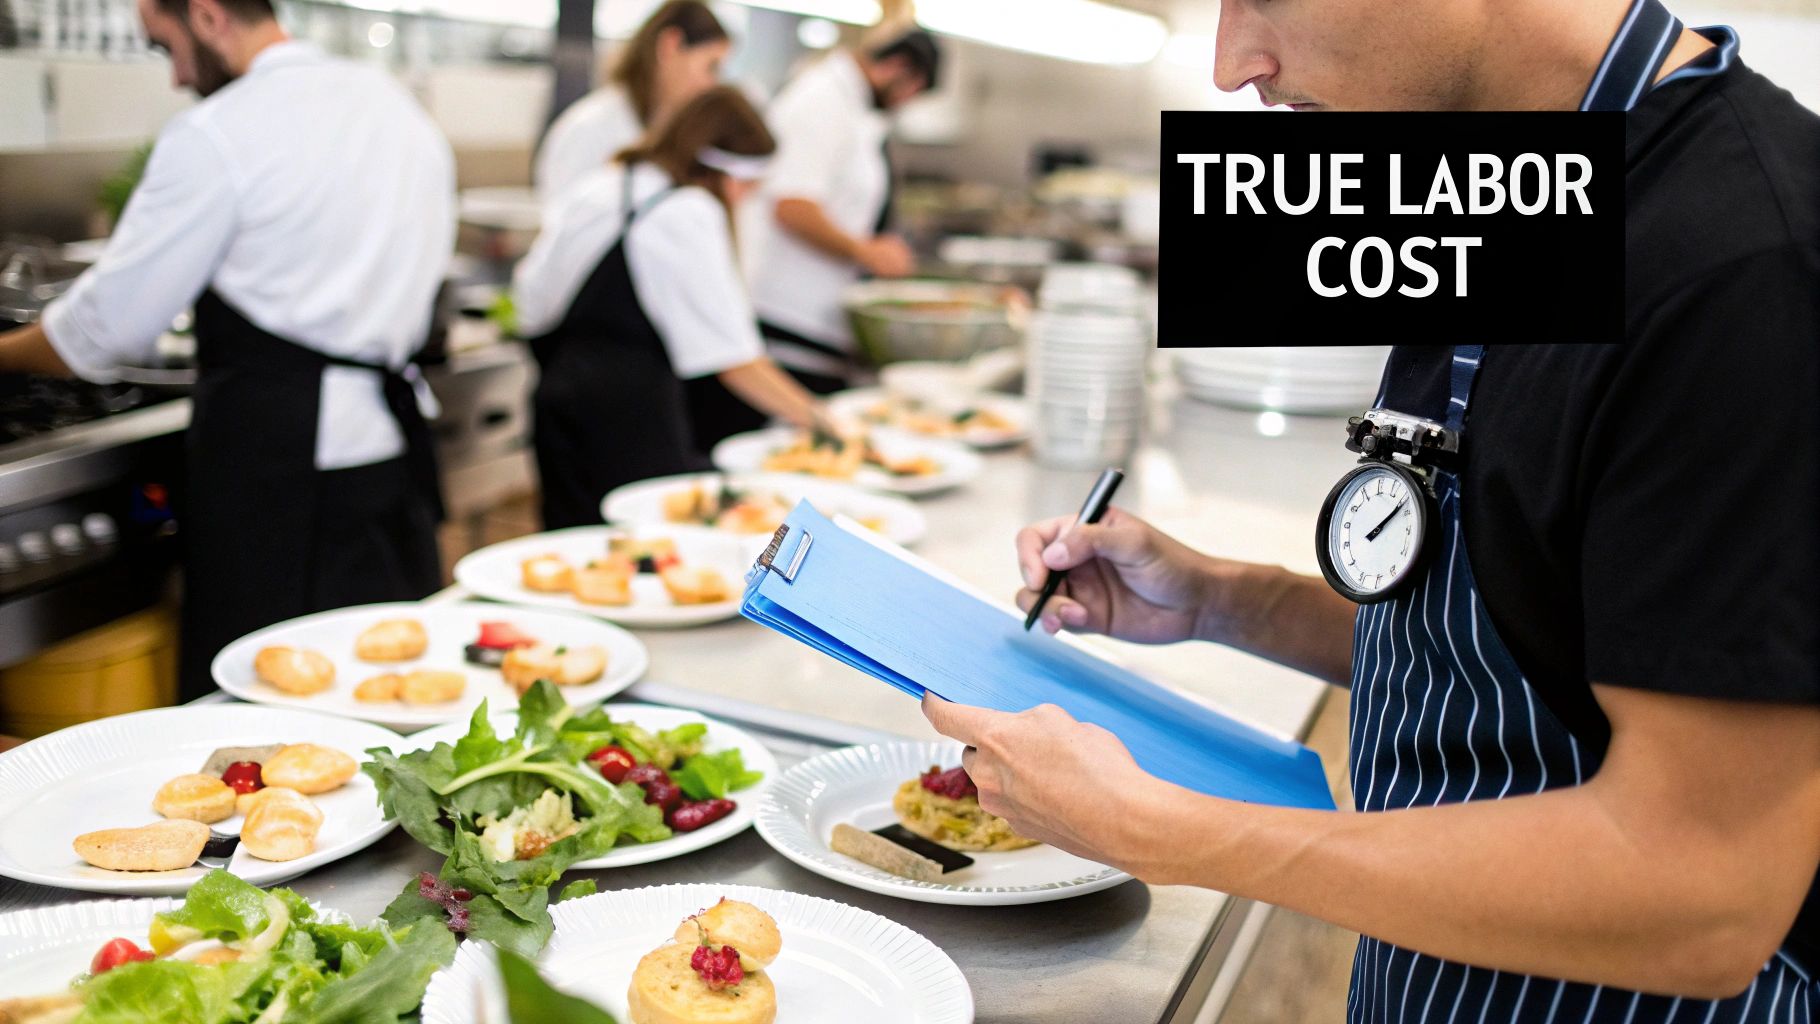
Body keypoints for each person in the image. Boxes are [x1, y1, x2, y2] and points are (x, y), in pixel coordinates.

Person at [921, 1, 1820, 1021]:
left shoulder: (1744, 265)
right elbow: (1527, 638)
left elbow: (1700, 893)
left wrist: (1158, 828)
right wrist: (1227, 602)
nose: (1230, 64)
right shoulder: (1506, 183)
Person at [0, 0, 454, 701]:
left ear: (208, 16)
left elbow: (101, 332)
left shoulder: (217, 133)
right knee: (387, 691)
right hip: (390, 457)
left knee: (258, 710)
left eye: (165, 46)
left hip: (279, 472)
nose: (177, 76)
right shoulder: (396, 109)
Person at [514, 85, 825, 531]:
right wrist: (823, 421)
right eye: (748, 187)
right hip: (629, 418)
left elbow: (530, 302)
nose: (743, 199)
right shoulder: (686, 209)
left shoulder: (601, 186)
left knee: (573, 542)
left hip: (558, 401)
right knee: (648, 548)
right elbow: (736, 361)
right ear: (727, 176)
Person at [687, 28, 942, 446]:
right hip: (785, 318)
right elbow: (791, 204)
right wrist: (866, 251)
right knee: (789, 450)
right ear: (896, 68)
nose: (906, 102)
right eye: (913, 89)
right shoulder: (820, 100)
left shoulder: (854, 107)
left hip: (818, 323)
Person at [533, 0, 730, 206]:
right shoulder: (590, 129)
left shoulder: (652, 126)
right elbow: (567, 218)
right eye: (711, 66)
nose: (713, 84)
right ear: (670, 45)